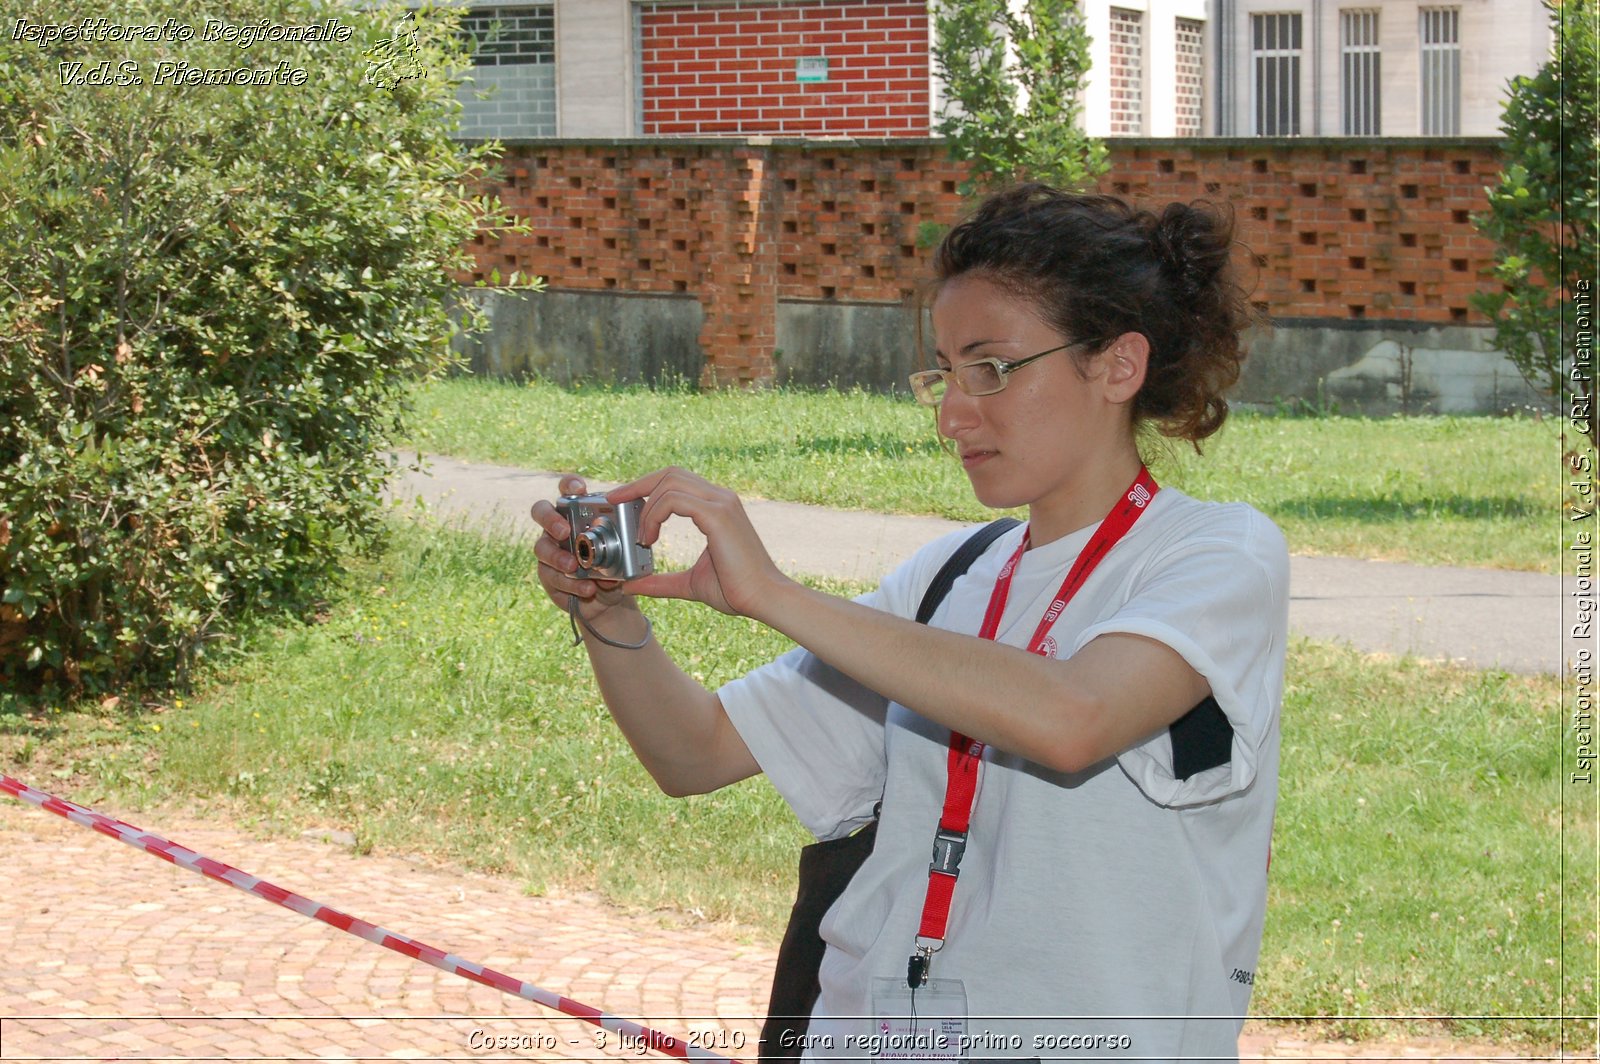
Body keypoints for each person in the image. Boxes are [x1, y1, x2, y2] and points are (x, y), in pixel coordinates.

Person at [531, 183, 1289, 1062]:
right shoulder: (950, 576)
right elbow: (693, 752)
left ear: (1118, 365)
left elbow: (1074, 717)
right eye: (944, 371)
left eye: (992, 369)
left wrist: (774, 594)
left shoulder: (1215, 554)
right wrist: (608, 614)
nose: (952, 413)